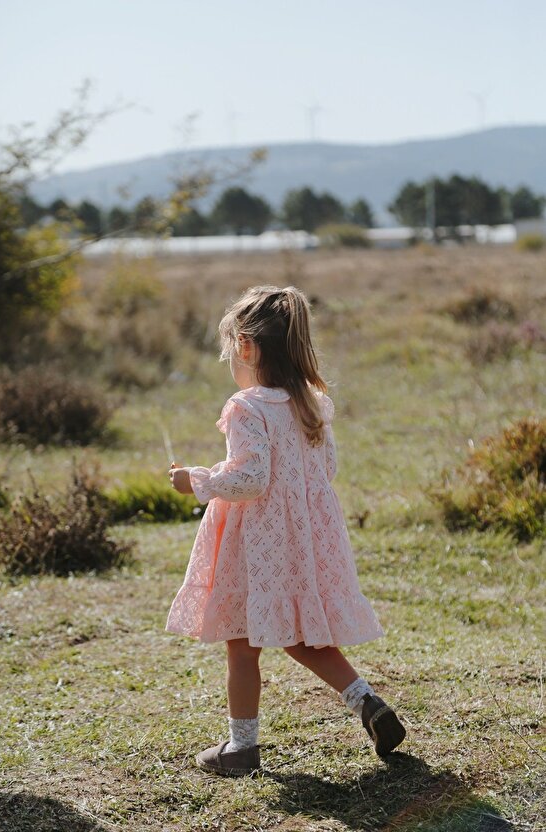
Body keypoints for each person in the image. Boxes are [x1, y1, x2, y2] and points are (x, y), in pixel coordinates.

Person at [166, 285, 406, 777]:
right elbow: (327, 468)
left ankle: (241, 747)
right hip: (306, 539)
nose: (231, 361)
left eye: (231, 351)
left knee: (241, 641)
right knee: (306, 635)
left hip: (258, 543)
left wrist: (199, 479)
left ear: (249, 348)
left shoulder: (246, 407)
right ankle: (368, 705)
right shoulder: (311, 402)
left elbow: (251, 478)